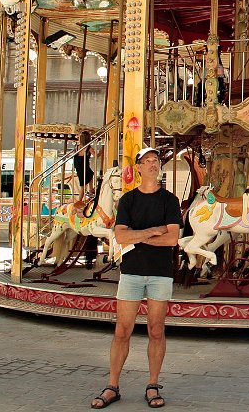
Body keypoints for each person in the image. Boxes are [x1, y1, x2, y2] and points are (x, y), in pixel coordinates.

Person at [91, 147, 181, 409]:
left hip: (160, 273)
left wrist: (138, 235)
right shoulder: (128, 201)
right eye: (147, 161)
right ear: (138, 168)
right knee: (122, 330)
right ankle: (113, 385)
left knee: (156, 329)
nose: (153, 164)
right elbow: (120, 236)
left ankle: (152, 384)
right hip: (131, 271)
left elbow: (172, 239)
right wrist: (153, 231)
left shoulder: (169, 200)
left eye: (156, 161)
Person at [73, 130, 95, 201]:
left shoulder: (77, 147)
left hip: (78, 166)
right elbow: (95, 155)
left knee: (90, 174)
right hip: (84, 166)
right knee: (83, 185)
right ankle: (80, 200)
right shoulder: (88, 148)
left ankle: (91, 189)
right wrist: (101, 152)